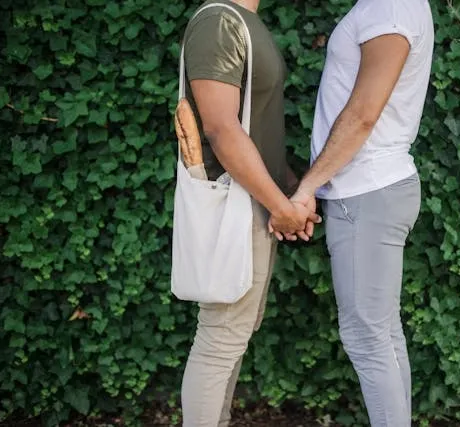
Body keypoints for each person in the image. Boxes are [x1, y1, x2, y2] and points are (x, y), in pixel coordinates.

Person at [270, 0, 435, 425]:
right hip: (371, 189)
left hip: (367, 190)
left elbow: (364, 114)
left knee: (367, 338)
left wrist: (308, 186)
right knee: (382, 334)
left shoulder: (390, 6)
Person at [178, 0, 320, 425]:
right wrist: (282, 206)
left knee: (233, 336)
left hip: (255, 202)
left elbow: (253, 125)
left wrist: (292, 190)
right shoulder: (219, 22)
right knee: (220, 337)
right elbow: (221, 128)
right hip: (235, 206)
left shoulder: (242, 20)